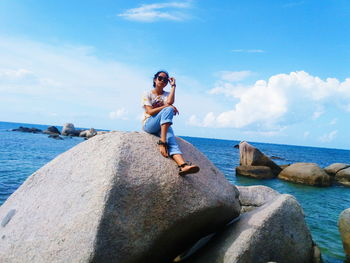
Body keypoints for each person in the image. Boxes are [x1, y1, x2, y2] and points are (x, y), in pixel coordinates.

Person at [141, 70, 200, 176]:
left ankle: (183, 166)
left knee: (172, 140)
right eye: (160, 78)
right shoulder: (147, 93)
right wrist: (167, 107)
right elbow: (149, 111)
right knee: (168, 110)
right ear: (155, 79)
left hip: (162, 125)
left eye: (165, 79)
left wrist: (173, 86)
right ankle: (162, 142)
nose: (162, 81)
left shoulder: (167, 94)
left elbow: (169, 102)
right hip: (149, 124)